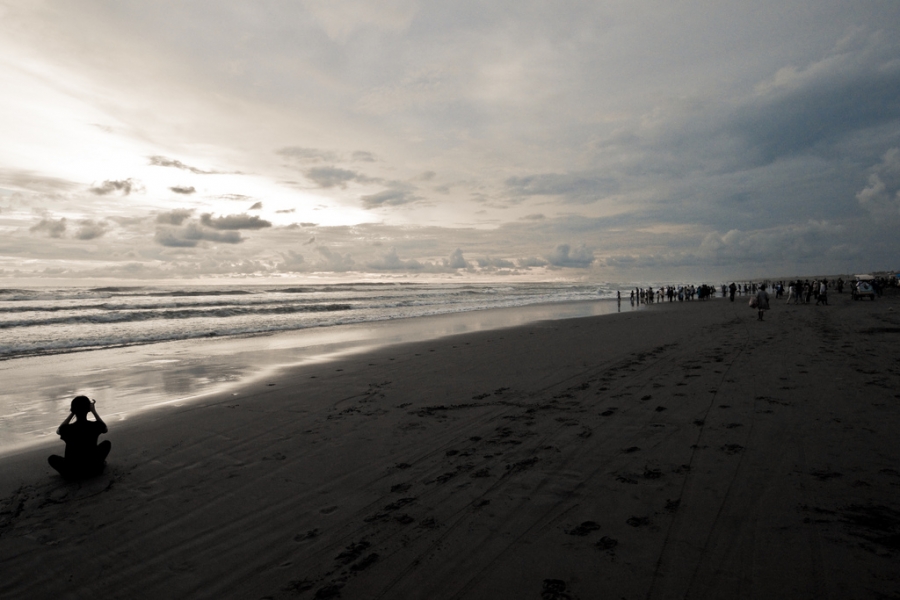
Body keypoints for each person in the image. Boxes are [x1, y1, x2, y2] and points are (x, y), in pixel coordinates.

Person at [48, 396, 111, 480]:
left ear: (73, 410)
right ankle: (99, 465)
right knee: (106, 443)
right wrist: (94, 411)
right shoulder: (94, 426)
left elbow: (58, 431)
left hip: (72, 471)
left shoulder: (67, 429)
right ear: (88, 409)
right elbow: (105, 429)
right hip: (91, 467)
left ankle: (68, 474)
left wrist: (72, 412)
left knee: (52, 458)